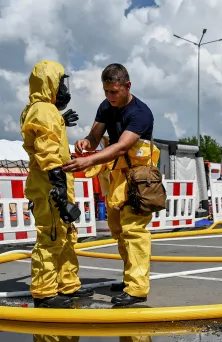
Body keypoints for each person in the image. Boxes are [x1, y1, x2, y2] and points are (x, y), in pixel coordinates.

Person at [63, 63, 159, 307]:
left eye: (114, 92)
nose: (109, 97)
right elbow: (96, 135)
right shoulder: (107, 106)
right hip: (117, 178)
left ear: (128, 86)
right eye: (106, 92)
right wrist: (87, 142)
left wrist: (90, 160)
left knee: (134, 231)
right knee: (119, 232)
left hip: (138, 180)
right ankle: (130, 279)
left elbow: (122, 146)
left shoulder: (140, 113)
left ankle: (137, 288)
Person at [20, 60, 93, 308]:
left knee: (66, 237)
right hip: (50, 187)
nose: (64, 89)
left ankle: (67, 285)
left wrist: (60, 120)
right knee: (51, 238)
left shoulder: (45, 111)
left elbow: (46, 137)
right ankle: (44, 292)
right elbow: (48, 151)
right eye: (61, 83)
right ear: (50, 83)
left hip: (53, 186)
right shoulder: (43, 111)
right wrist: (59, 189)